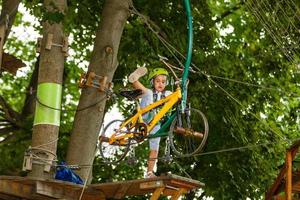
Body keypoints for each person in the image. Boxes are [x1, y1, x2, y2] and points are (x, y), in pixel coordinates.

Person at [128, 66, 172, 178]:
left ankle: (149, 172)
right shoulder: (150, 91)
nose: (160, 84)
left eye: (163, 82)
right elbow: (146, 92)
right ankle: (134, 79)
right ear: (152, 82)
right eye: (157, 81)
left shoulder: (166, 93)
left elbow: (175, 96)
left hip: (155, 123)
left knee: (155, 149)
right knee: (146, 93)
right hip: (145, 117)